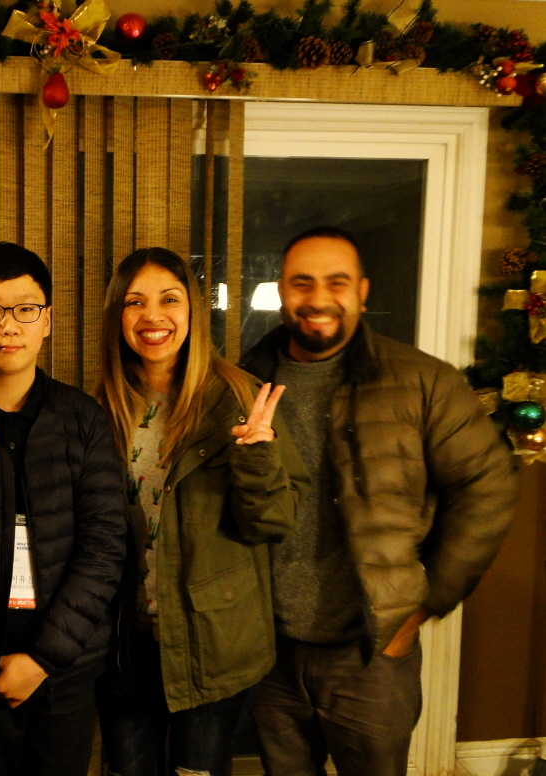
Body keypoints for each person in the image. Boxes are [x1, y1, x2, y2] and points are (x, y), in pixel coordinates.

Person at [239, 226, 518, 776]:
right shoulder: (244, 382)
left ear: (362, 292)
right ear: (282, 290)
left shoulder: (422, 381)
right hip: (268, 651)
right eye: (302, 282)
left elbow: (488, 484)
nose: (319, 298)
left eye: (336, 282)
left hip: (371, 656)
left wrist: (423, 606)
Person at [93, 247, 308, 776]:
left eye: (169, 299)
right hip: (123, 644)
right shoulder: (100, 407)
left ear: (192, 310)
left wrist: (257, 456)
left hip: (213, 641)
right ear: (117, 315)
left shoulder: (238, 397)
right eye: (135, 302)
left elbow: (273, 522)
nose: (153, 316)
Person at [0, 242, 126, 776]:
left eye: (26, 309)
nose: (9, 325)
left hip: (64, 669)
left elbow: (105, 548)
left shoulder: (83, 419)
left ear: (47, 321)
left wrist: (42, 660)